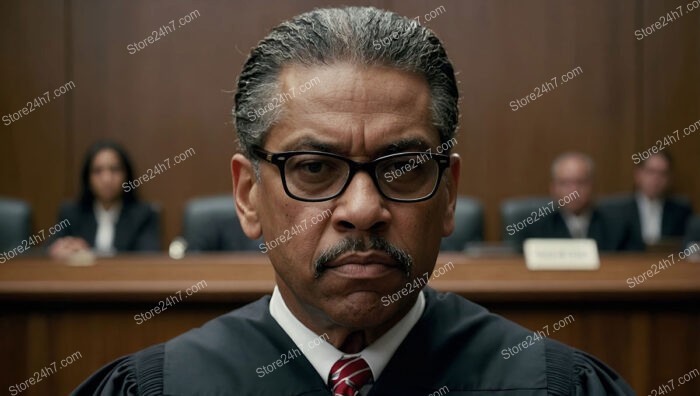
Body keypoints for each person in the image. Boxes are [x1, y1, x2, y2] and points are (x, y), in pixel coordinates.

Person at [73, 7, 634, 395]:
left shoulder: (551, 384)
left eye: (405, 168)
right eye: (314, 168)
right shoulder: (157, 388)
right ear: (247, 197)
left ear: (448, 197)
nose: (363, 209)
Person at [48, 141, 160, 258]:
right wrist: (60, 250)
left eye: (114, 169)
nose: (107, 179)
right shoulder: (71, 213)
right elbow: (47, 251)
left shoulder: (144, 214)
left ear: (126, 175)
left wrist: (89, 253)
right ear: (87, 177)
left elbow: (148, 258)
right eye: (98, 171)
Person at [515, 152, 644, 252]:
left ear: (592, 186)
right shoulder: (533, 229)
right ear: (553, 188)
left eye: (580, 182)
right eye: (565, 183)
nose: (574, 191)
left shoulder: (619, 227)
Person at [617, 152, 692, 247]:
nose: (656, 178)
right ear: (638, 174)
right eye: (651, 172)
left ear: (669, 178)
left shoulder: (681, 211)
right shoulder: (618, 212)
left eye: (662, 173)